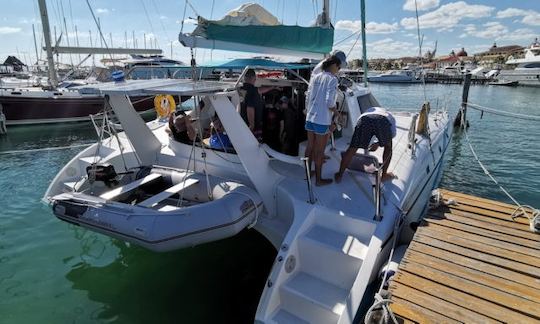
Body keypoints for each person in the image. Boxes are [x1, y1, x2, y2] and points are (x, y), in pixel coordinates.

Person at [304, 54, 343, 186]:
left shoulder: (316, 77)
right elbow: (329, 102)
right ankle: (319, 180)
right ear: (334, 65)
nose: (338, 70)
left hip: (310, 117)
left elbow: (309, 97)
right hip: (321, 120)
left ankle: (308, 173)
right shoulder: (332, 79)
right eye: (338, 67)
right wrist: (337, 113)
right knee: (320, 151)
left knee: (310, 147)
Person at [334, 107, 397, 183]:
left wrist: (376, 143)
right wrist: (380, 143)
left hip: (364, 120)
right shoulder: (389, 116)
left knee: (352, 148)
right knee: (388, 148)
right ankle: (384, 176)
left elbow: (362, 129)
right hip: (382, 120)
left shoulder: (367, 112)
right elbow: (392, 135)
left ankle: (339, 175)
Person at [239, 69, 264, 139]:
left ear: (244, 78)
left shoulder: (239, 89)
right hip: (251, 128)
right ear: (253, 78)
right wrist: (251, 126)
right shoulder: (253, 91)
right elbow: (250, 108)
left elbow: (260, 90)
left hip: (240, 125)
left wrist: (272, 87)